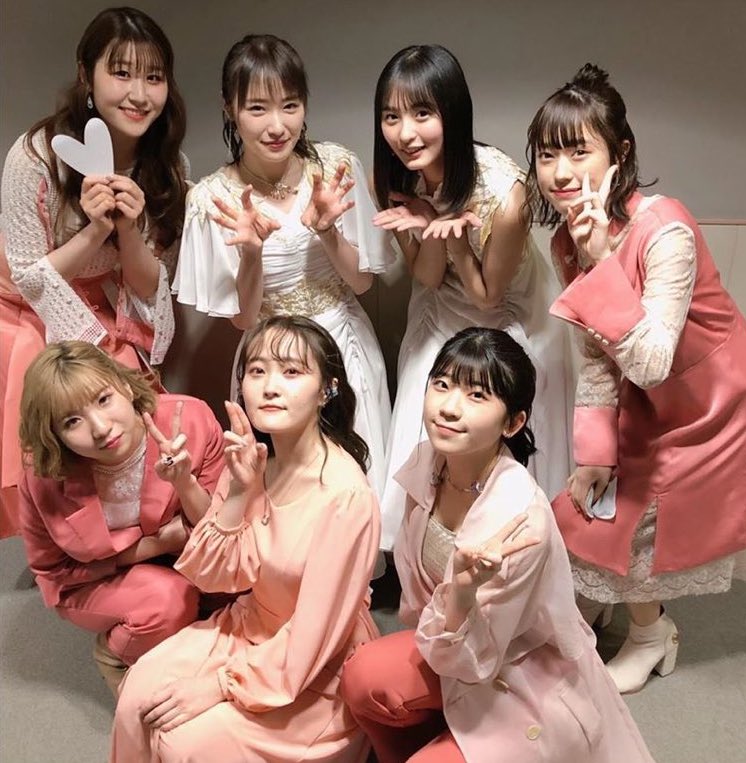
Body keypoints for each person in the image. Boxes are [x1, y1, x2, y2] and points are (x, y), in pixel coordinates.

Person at [525, 63, 746, 693]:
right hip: (646, 392)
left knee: (641, 525)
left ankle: (652, 635)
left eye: (579, 151)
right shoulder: (570, 239)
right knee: (592, 500)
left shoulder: (666, 228)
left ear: (620, 153)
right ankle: (609, 607)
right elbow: (598, 355)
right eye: (547, 155)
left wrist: (603, 262)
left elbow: (654, 360)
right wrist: (594, 453)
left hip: (710, 401)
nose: (561, 172)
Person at [341, 327, 654, 762]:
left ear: (513, 423)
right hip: (450, 642)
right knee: (362, 677)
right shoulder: (429, 463)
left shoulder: (520, 518)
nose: (449, 407)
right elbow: (420, 608)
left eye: (477, 396)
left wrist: (461, 595)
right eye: (442, 384)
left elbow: (477, 659)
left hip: (518, 669)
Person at [112, 315, 381, 763]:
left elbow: (315, 632)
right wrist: (237, 491)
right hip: (248, 627)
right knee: (137, 695)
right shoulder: (254, 460)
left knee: (185, 744)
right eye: (257, 371)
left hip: (314, 658)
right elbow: (217, 578)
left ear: (326, 390)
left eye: (291, 372)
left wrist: (221, 684)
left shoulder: (346, 496)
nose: (270, 387)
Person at [172, 34, 393, 495]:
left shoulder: (334, 167)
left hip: (343, 345)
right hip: (269, 361)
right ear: (230, 108)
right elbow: (244, 318)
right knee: (282, 493)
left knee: (353, 484)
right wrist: (251, 254)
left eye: (290, 105)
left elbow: (361, 283)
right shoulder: (214, 199)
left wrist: (327, 232)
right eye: (257, 108)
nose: (277, 126)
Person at [373, 44, 573, 549]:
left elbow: (488, 298)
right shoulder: (397, 177)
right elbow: (427, 276)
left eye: (422, 113)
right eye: (391, 117)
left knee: (500, 439)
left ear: (453, 113)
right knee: (430, 418)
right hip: (442, 307)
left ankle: (506, 550)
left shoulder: (506, 194)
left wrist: (454, 237)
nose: (405, 133)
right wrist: (429, 227)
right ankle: (430, 550)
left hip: (508, 315)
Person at [0, 6, 188, 538]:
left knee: (128, 431)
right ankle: (67, 554)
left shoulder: (169, 167)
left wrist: (127, 229)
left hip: (115, 307)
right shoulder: (36, 156)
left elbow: (151, 285)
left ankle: (122, 546)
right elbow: (30, 277)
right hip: (32, 312)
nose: (139, 94)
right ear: (86, 75)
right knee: (59, 453)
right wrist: (94, 230)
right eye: (121, 73)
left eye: (154, 77)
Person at [17, 341, 224, 696]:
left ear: (125, 386)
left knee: (247, 583)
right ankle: (115, 655)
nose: (100, 428)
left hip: (189, 549)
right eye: (72, 421)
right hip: (96, 576)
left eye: (103, 399)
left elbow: (221, 526)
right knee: (167, 601)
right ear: (56, 436)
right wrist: (155, 545)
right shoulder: (44, 477)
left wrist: (184, 484)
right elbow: (53, 571)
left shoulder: (191, 420)